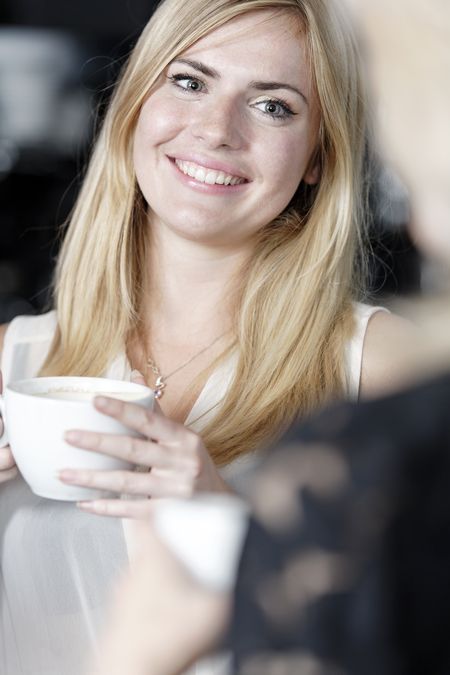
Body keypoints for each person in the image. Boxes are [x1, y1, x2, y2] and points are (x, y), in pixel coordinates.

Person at [0, 0, 413, 673]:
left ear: (317, 155)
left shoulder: (375, 366)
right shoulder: (13, 357)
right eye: (189, 81)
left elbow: (407, 637)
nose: (216, 130)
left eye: (274, 105)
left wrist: (234, 529)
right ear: (136, 104)